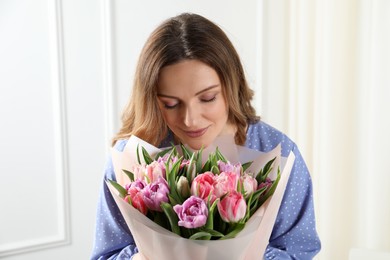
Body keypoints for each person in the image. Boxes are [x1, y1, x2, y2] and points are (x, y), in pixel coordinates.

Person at [91, 12, 321, 259]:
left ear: (231, 85)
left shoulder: (278, 152)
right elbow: (106, 254)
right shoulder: (132, 162)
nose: (191, 120)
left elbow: (300, 250)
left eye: (208, 98)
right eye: (170, 104)